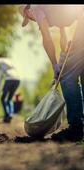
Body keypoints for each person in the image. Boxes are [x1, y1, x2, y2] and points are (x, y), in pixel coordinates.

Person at [19, 5, 84, 141]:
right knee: (78, 72)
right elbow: (63, 36)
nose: (33, 20)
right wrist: (63, 57)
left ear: (27, 11)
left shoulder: (35, 8)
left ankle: (77, 129)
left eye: (29, 18)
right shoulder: (51, 10)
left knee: (67, 77)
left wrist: (55, 65)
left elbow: (47, 38)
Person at [0, 53, 20, 123]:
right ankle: (10, 114)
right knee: (9, 99)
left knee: (2, 98)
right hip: (17, 79)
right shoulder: (8, 61)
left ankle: (7, 115)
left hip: (9, 80)